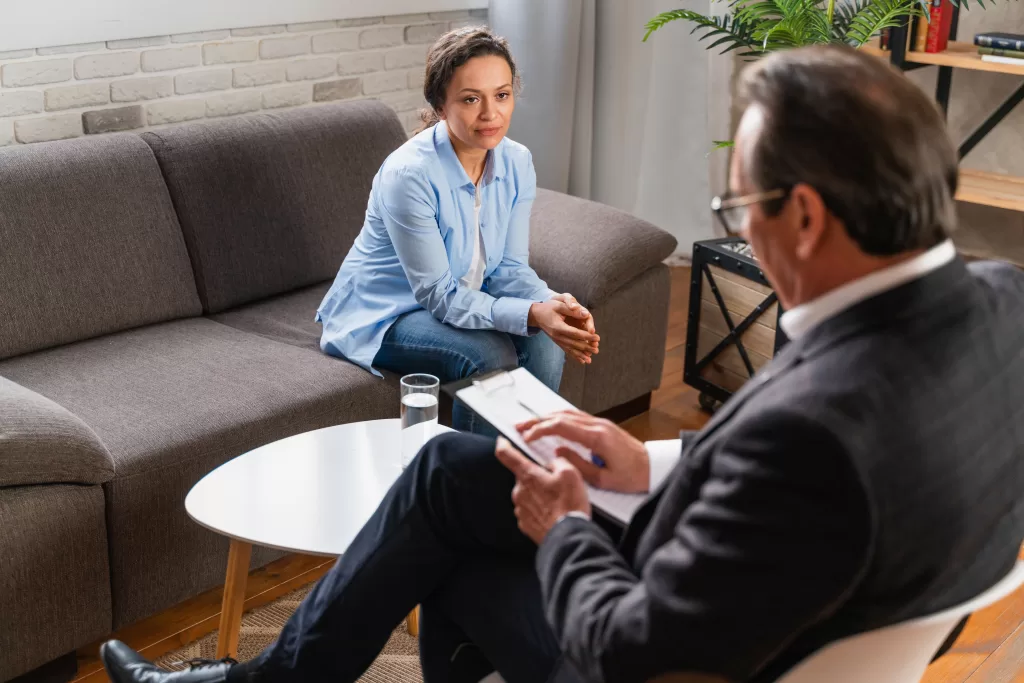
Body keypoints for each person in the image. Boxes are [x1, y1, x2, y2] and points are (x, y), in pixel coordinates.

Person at [99, 43, 1024, 683]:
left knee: (441, 554)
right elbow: (779, 487)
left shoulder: (815, 436)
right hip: (769, 597)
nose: (740, 229)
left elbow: (637, 653)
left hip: (660, 641)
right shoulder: (1003, 304)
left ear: (809, 217)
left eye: (740, 211)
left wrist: (570, 525)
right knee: (448, 470)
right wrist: (647, 460)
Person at [314, 26, 599, 435]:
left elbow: (509, 270)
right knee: (488, 353)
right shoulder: (409, 175)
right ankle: (468, 485)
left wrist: (553, 303)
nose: (491, 114)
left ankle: (523, 475)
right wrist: (534, 313)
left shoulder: (517, 162)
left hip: (453, 299)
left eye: (501, 95)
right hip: (385, 313)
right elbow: (439, 296)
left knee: (545, 340)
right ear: (440, 105)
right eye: (470, 99)